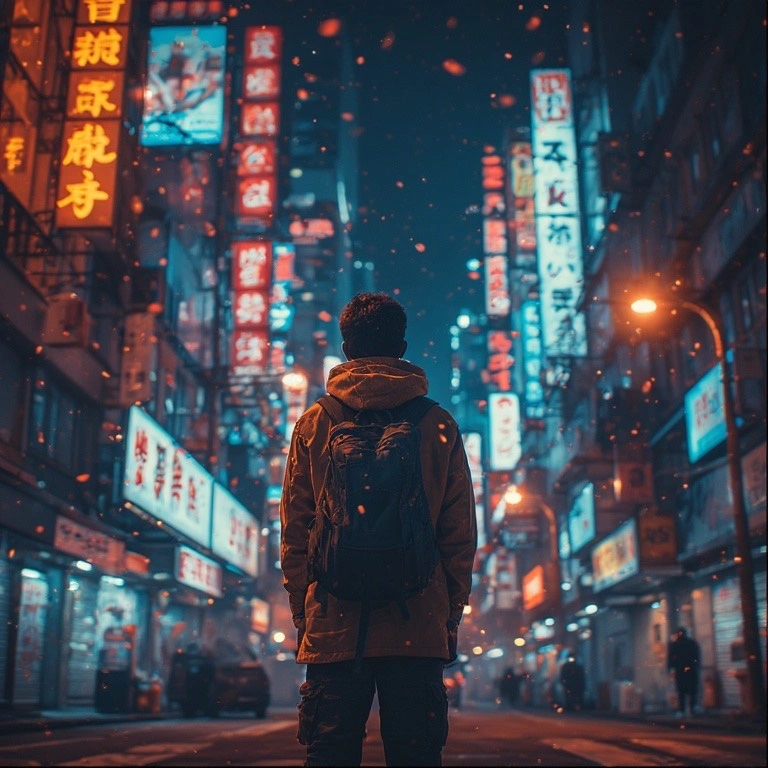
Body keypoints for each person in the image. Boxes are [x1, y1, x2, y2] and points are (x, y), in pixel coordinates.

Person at [281, 292, 477, 767]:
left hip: (334, 619)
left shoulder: (314, 422)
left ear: (346, 348)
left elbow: (296, 530)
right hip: (418, 620)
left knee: (330, 753)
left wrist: (305, 610)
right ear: (402, 346)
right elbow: (458, 535)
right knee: (414, 754)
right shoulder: (438, 425)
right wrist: (448, 614)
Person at [667, 626, 700, 716]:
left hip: (680, 671)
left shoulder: (674, 644)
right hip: (691, 670)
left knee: (681, 691)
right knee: (692, 690)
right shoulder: (692, 643)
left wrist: (670, 668)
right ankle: (692, 709)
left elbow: (670, 658)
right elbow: (696, 657)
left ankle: (682, 710)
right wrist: (696, 666)